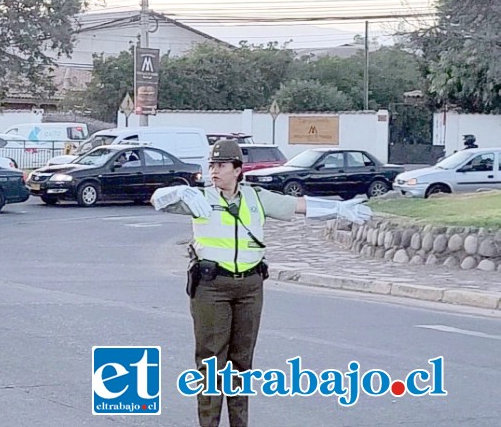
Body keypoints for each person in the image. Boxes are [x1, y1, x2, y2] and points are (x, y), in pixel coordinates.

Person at [151, 140, 372, 427]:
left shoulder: (257, 198)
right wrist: (177, 191)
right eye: (212, 165)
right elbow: (157, 200)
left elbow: (298, 206)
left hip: (249, 286)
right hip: (212, 286)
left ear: (238, 170)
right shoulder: (200, 198)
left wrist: (339, 209)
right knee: (211, 363)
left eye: (221, 165)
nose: (214, 171)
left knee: (242, 363)